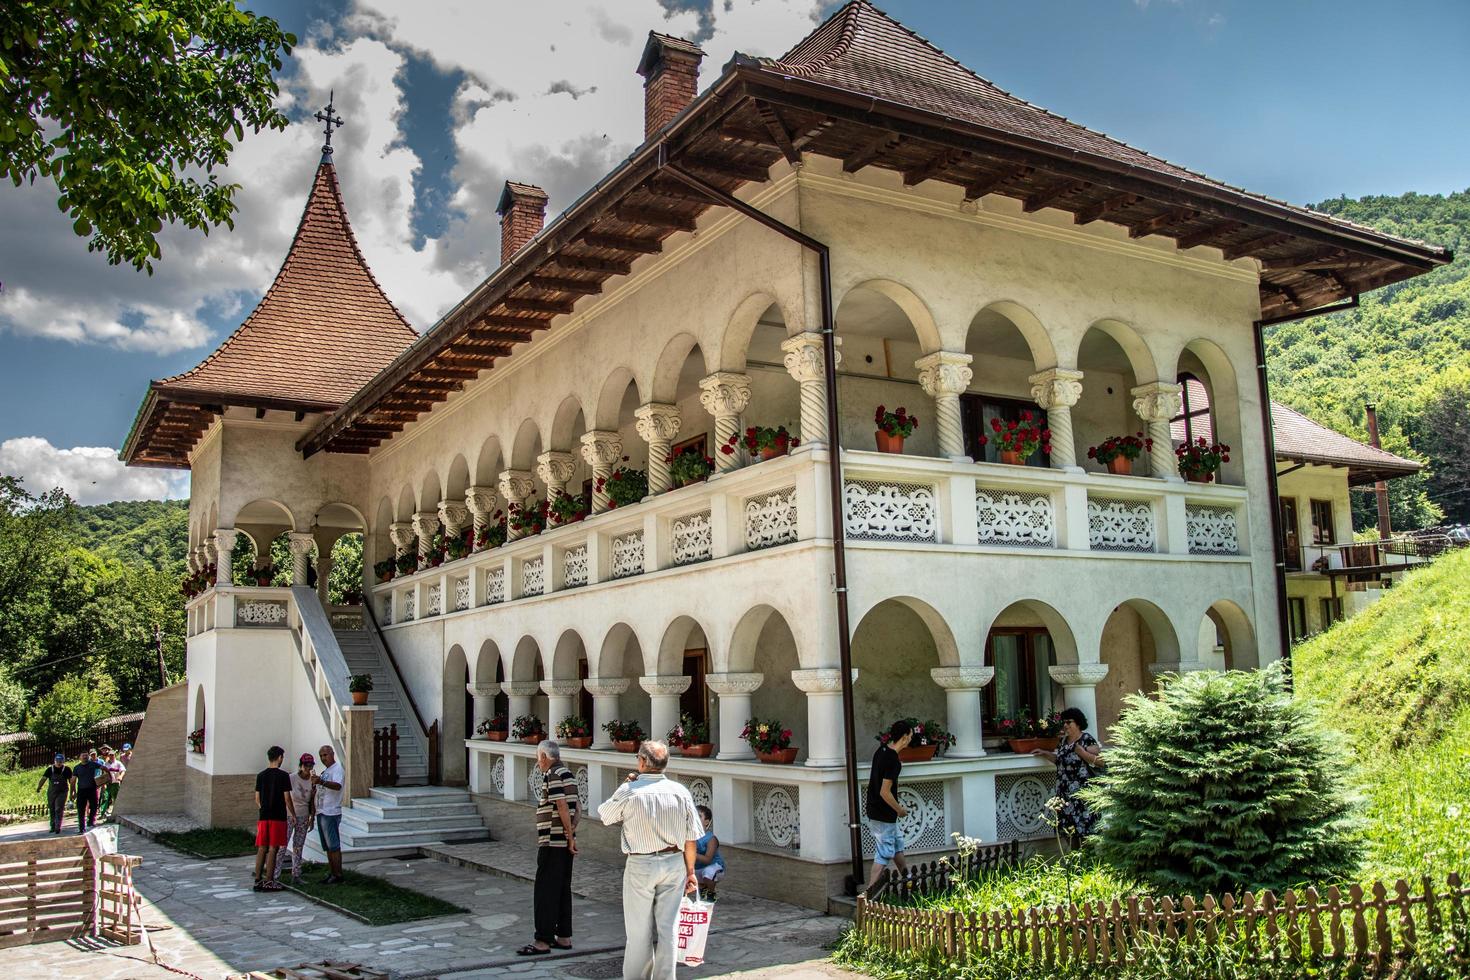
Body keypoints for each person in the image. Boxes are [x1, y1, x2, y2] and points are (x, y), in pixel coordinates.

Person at [597, 740, 703, 980]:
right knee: (669, 928)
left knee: (638, 930)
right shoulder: (680, 792)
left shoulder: (630, 791)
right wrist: (691, 871)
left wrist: (624, 785)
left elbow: (605, 815)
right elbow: (691, 838)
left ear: (643, 762)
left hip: (642, 863)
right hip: (674, 861)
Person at [517, 741, 578, 957]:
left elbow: (561, 804)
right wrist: (572, 833)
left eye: (538, 758)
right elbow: (576, 807)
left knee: (545, 890)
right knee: (562, 889)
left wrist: (568, 835)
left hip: (552, 842)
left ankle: (542, 940)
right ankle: (564, 936)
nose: (538, 762)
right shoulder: (568, 774)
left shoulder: (552, 774)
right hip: (564, 843)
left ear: (544, 757)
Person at [1031, 707, 1103, 842]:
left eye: (1069, 722)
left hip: (1082, 794)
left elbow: (1101, 762)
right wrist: (1045, 753)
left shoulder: (1086, 739)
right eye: (1064, 722)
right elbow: (1060, 760)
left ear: (1078, 723)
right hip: (1065, 794)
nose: (1065, 725)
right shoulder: (1063, 742)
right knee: (1068, 830)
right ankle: (1073, 857)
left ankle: (1087, 858)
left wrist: (1082, 753)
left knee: (1084, 830)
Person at [863, 720, 912, 895]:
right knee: (884, 852)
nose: (911, 739)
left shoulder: (881, 750)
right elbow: (885, 792)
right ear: (905, 737)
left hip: (874, 809)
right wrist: (900, 810)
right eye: (911, 736)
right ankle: (869, 896)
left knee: (896, 845)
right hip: (884, 814)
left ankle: (909, 882)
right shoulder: (893, 761)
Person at [253, 745, 295, 892]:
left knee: (262, 847)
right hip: (278, 816)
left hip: (264, 815)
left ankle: (257, 878)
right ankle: (269, 880)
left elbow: (257, 798)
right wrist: (293, 814)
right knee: (273, 848)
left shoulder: (261, 775)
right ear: (279, 758)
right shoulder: (283, 776)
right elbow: (287, 798)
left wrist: (263, 809)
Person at [275, 753, 317, 884]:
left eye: (310, 765)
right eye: (306, 765)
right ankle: (275, 874)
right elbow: (284, 796)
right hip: (288, 815)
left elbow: (312, 800)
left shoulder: (312, 780)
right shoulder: (291, 778)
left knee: (298, 846)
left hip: (303, 816)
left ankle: (296, 874)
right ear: (301, 765)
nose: (308, 768)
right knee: (282, 845)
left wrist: (312, 817)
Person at [311, 743, 345, 884]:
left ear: (332, 754)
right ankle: (332, 873)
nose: (323, 758)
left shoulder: (337, 769)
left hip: (331, 812)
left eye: (325, 755)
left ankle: (338, 875)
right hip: (322, 811)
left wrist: (322, 782)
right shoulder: (326, 771)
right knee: (327, 847)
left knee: (333, 846)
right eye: (321, 756)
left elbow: (337, 786)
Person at [693, 805, 725, 901]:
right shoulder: (689, 836)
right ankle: (702, 888)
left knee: (708, 873)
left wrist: (691, 853)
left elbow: (708, 859)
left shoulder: (711, 838)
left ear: (706, 822)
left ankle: (711, 892)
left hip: (714, 867)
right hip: (697, 868)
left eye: (699, 816)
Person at [36, 753, 73, 834]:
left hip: (62, 792)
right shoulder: (50, 769)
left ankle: (57, 826)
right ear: (54, 761)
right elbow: (43, 779)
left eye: (60, 761)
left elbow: (71, 781)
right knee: (52, 808)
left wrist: (73, 791)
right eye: (57, 761)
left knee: (58, 808)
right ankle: (52, 826)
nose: (59, 763)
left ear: (63, 761)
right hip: (52, 792)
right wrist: (39, 787)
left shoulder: (67, 769)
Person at [73, 749, 105, 833]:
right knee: (81, 810)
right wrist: (73, 792)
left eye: (86, 755)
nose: (85, 757)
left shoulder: (93, 764)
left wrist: (108, 777)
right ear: (80, 758)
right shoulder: (77, 768)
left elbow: (104, 768)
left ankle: (91, 821)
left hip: (92, 789)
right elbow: (73, 781)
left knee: (94, 806)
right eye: (83, 756)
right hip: (81, 790)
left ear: (88, 756)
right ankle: (81, 828)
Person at [99, 745, 126, 819]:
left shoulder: (118, 763)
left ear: (115, 755)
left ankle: (118, 812)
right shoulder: (106, 764)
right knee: (106, 798)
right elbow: (103, 774)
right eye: (110, 755)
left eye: (112, 755)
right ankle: (103, 813)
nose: (111, 756)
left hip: (115, 783)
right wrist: (103, 784)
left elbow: (123, 770)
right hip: (108, 784)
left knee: (116, 798)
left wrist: (120, 776)